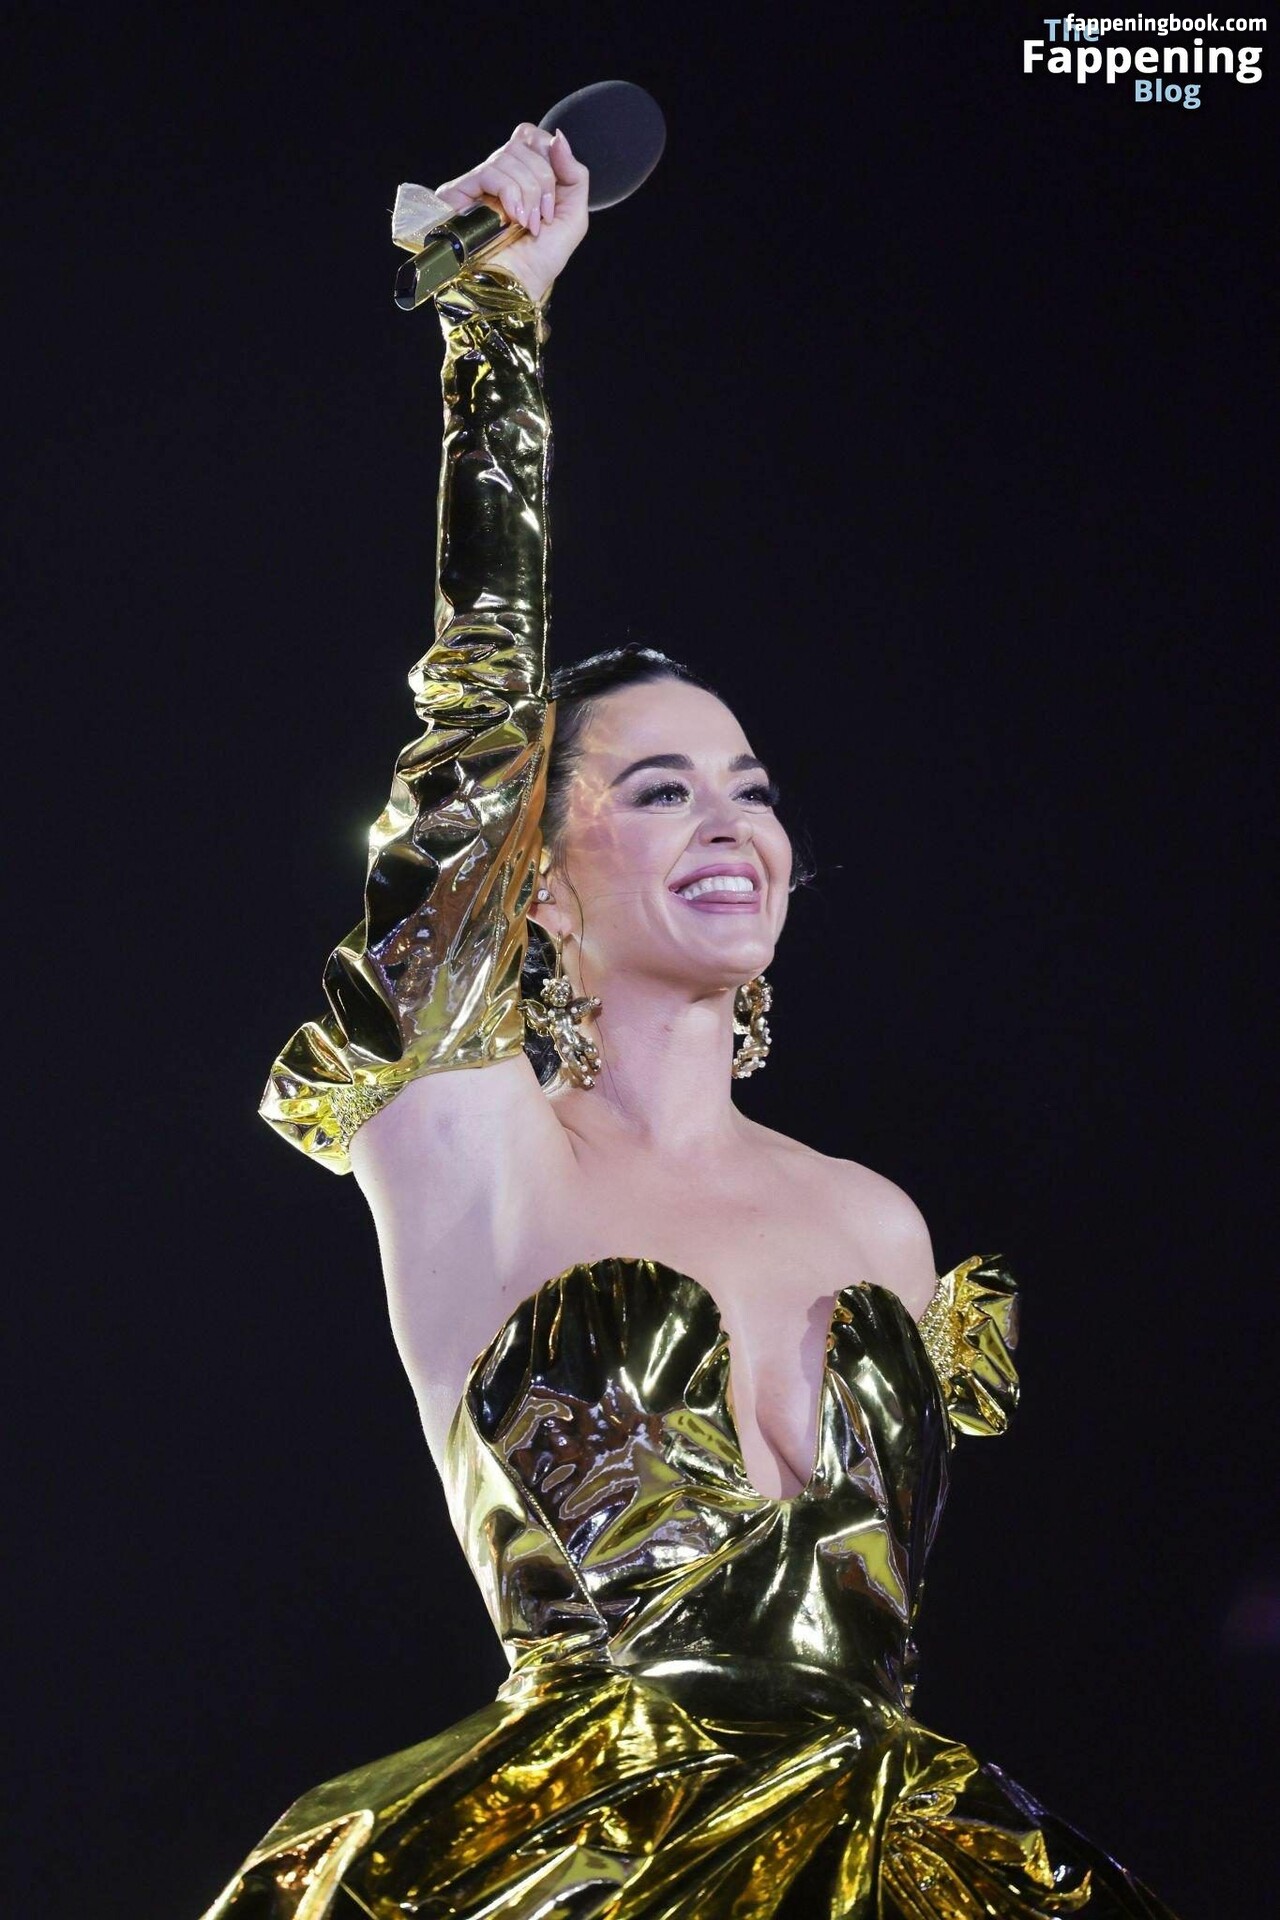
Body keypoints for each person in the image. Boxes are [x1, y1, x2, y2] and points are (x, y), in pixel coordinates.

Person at [203, 123, 1179, 1919]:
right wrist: (498, 337)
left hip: (892, 1858)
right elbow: (464, 750)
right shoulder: (477, 1151)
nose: (733, 824)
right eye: (659, 791)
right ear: (538, 879)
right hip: (589, 1856)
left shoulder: (873, 1216)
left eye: (751, 789)